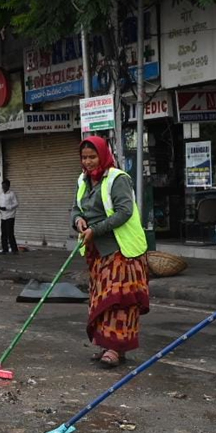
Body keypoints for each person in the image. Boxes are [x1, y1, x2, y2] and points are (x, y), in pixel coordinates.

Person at [71, 137, 150, 368]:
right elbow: (76, 207)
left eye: (92, 157)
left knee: (119, 301)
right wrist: (78, 221)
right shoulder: (83, 181)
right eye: (84, 157)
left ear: (103, 156)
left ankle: (116, 349)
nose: (88, 162)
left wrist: (96, 229)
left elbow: (125, 211)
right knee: (101, 300)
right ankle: (107, 345)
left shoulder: (118, 179)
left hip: (122, 251)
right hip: (97, 252)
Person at [0, 179, 20, 255]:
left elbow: (16, 204)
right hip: (3, 216)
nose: (3, 188)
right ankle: (5, 249)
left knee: (10, 233)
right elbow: (0, 204)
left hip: (10, 216)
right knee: (3, 234)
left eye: (5, 187)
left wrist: (7, 208)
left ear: (8, 186)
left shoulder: (12, 194)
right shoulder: (1, 194)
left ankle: (14, 249)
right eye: (2, 187)